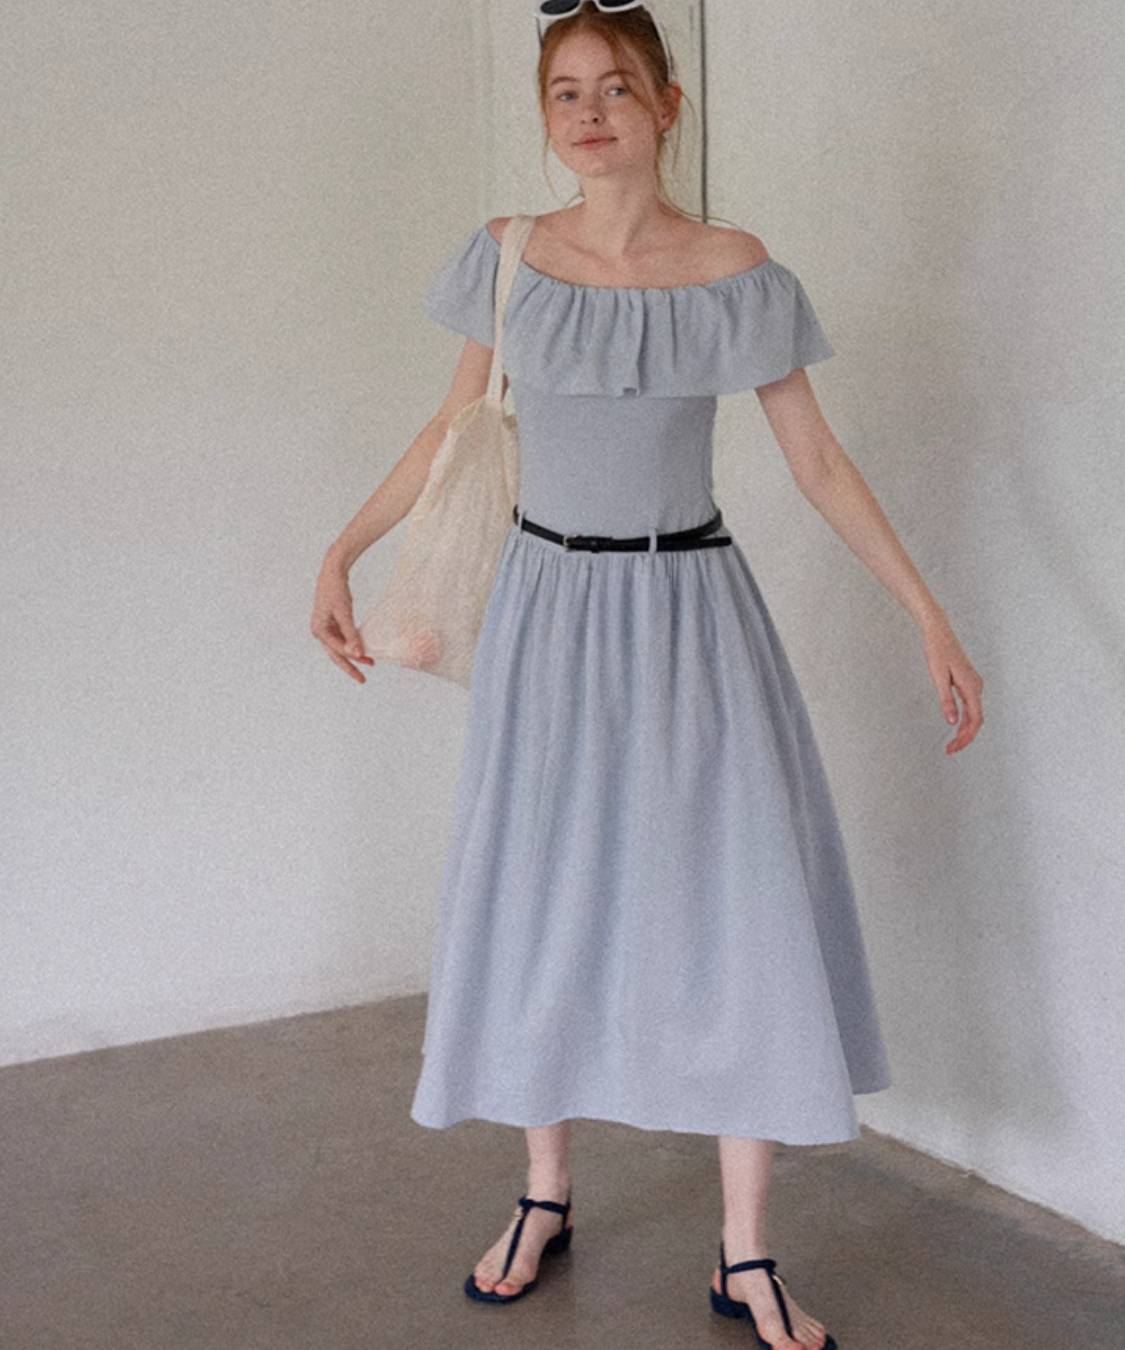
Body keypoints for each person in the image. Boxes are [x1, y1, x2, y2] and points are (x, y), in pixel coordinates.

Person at [310, 3, 984, 1346]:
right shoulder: (511, 257)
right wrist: (341, 548)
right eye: (565, 90)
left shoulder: (734, 271)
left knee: (742, 904)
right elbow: (451, 427)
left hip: (694, 613)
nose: (590, 112)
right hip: (548, 615)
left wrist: (926, 610)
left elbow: (816, 461)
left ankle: (747, 1249)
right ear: (544, 115)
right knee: (540, 893)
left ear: (668, 105)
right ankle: (544, 1191)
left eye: (616, 86)